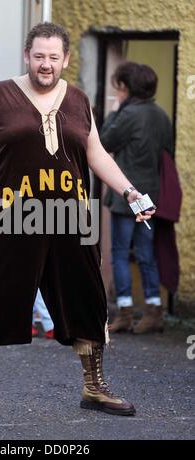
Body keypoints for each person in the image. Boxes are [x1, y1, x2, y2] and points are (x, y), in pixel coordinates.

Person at [0, 23, 154, 420]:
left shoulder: (79, 100)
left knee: (86, 298)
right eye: (39, 56)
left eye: (54, 57)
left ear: (65, 59)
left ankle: (93, 386)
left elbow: (96, 153)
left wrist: (130, 192)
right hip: (10, 215)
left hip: (70, 217)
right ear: (27, 56)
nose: (46, 64)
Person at [100, 62, 173, 334]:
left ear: (127, 87)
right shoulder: (161, 115)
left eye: (119, 86)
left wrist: (114, 112)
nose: (117, 91)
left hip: (126, 195)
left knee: (120, 253)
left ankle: (125, 312)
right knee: (146, 253)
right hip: (151, 195)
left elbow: (104, 142)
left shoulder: (128, 114)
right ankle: (154, 311)